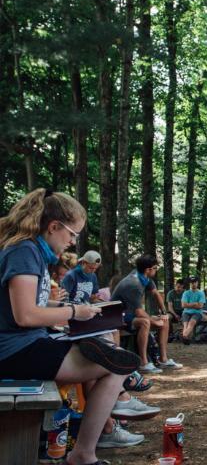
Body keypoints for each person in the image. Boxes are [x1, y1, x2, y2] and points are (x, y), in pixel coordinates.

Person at [0, 188, 144, 464]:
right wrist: (75, 311)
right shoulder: (24, 252)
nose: (72, 242)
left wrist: (81, 313)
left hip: (26, 344)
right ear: (54, 227)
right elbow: (25, 316)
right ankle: (86, 451)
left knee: (108, 355)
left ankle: (117, 406)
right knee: (116, 366)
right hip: (14, 351)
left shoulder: (30, 251)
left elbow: (34, 304)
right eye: (72, 234)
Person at [111, 255, 182, 373]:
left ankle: (163, 360)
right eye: (155, 268)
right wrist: (155, 321)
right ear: (148, 270)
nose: (156, 270)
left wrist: (164, 313)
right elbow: (138, 312)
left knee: (164, 320)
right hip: (118, 317)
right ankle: (143, 363)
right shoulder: (134, 284)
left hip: (130, 314)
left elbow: (156, 294)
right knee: (145, 322)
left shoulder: (144, 277)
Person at [181, 276, 205, 345]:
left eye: (194, 282)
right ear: (190, 284)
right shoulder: (186, 293)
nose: (193, 284)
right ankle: (186, 338)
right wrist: (194, 304)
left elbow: (200, 306)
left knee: (191, 323)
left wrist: (188, 304)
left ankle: (184, 336)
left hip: (197, 313)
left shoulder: (201, 293)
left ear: (197, 283)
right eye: (191, 283)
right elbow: (183, 305)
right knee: (185, 324)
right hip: (186, 312)